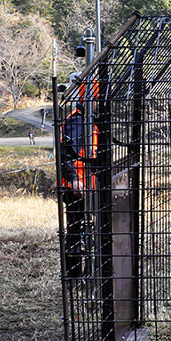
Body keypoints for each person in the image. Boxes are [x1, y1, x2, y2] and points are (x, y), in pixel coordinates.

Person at [60, 78, 97, 277]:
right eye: (97, 99)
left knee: (81, 228)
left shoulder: (88, 120)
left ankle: (80, 273)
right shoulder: (78, 121)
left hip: (85, 183)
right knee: (76, 230)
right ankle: (74, 275)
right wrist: (74, 179)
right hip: (77, 186)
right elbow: (66, 153)